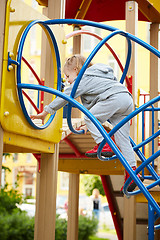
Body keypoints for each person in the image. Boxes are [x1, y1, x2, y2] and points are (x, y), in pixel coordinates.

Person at [30, 54, 143, 191]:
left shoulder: (82, 78)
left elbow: (66, 96)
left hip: (113, 98)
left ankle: (104, 144)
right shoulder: (100, 74)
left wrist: (46, 112)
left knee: (89, 117)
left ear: (76, 69)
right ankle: (132, 172)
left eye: (67, 76)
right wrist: (91, 124)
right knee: (122, 140)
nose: (67, 80)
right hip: (126, 100)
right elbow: (101, 101)